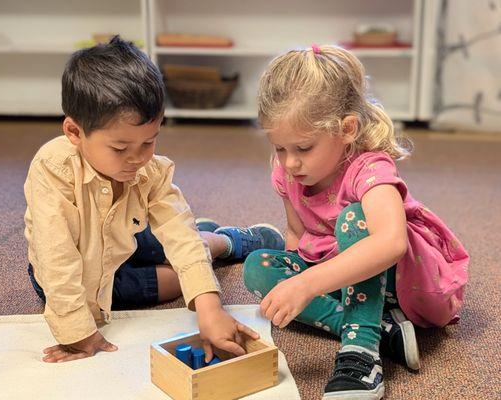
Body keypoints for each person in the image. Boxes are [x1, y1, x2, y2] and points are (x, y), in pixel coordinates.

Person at [24, 36, 284, 364]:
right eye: (120, 148)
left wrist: (210, 309)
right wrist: (78, 333)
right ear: (75, 133)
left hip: (131, 235)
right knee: (174, 284)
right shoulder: (52, 168)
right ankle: (213, 241)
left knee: (180, 249)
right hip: (82, 277)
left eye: (149, 142)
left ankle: (223, 241)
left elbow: (180, 236)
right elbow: (56, 257)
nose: (137, 159)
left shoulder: (151, 171)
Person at [243, 45, 469, 400]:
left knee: (354, 220)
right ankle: (381, 329)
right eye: (279, 148)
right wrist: (292, 281)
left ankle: (361, 351)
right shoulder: (287, 172)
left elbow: (391, 243)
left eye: (303, 148)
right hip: (338, 272)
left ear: (346, 129)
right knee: (258, 267)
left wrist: (305, 286)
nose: (289, 163)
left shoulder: (369, 167)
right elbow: (297, 236)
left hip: (404, 277)